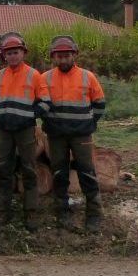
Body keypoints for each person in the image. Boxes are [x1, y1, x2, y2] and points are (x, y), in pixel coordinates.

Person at [41, 35, 107, 233]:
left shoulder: (88, 77)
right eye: (59, 56)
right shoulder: (45, 78)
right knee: (59, 172)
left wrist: (88, 122)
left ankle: (94, 214)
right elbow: (41, 104)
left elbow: (100, 105)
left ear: (74, 55)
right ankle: (62, 211)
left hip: (82, 135)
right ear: (53, 57)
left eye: (67, 55)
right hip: (56, 135)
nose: (63, 59)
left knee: (87, 172)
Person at [0, 32, 51, 231]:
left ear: (23, 53)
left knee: (29, 170)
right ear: (4, 56)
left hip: (25, 130)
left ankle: (31, 214)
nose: (12, 56)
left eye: (16, 52)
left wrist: (29, 117)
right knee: (3, 170)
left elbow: (46, 103)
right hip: (4, 130)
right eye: (9, 53)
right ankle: (3, 213)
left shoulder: (34, 75)